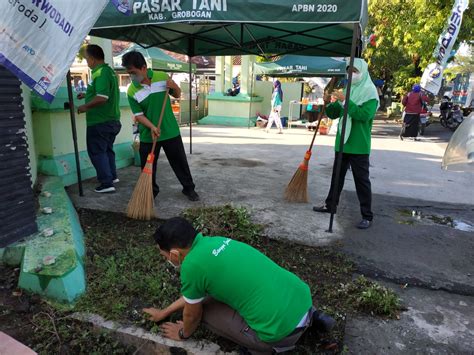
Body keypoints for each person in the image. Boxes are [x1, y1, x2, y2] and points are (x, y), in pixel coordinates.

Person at [143, 217, 335, 355]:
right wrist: (164, 312)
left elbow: (193, 314)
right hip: (303, 302)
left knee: (204, 311)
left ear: (175, 254)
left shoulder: (192, 266)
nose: (166, 259)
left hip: (280, 334)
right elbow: (192, 295)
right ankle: (314, 318)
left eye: (164, 255)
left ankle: (262, 348)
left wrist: (183, 333)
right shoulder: (216, 242)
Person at [121, 51, 199, 201]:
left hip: (170, 130)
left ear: (143, 67)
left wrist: (174, 86)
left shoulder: (161, 77)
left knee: (179, 162)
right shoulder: (132, 90)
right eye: (129, 73)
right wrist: (152, 127)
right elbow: (138, 115)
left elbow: (177, 94)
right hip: (148, 135)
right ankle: (150, 192)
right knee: (147, 167)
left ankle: (189, 188)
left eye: (133, 72)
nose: (131, 76)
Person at [313, 59, 379, 230]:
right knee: (337, 177)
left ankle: (367, 215)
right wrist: (328, 102)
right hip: (342, 141)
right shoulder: (346, 90)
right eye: (349, 71)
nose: (351, 74)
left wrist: (345, 100)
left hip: (359, 144)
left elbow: (363, 115)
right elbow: (334, 114)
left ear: (363, 71)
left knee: (361, 181)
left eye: (355, 70)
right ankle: (330, 205)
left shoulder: (370, 92)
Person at [77, 44, 121, 193]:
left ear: (92, 59)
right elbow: (101, 91)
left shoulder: (100, 73)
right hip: (111, 120)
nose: (86, 62)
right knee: (107, 150)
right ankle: (112, 176)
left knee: (97, 151)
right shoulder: (108, 71)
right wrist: (86, 94)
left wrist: (85, 107)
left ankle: (106, 183)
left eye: (87, 59)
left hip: (100, 121)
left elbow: (102, 97)